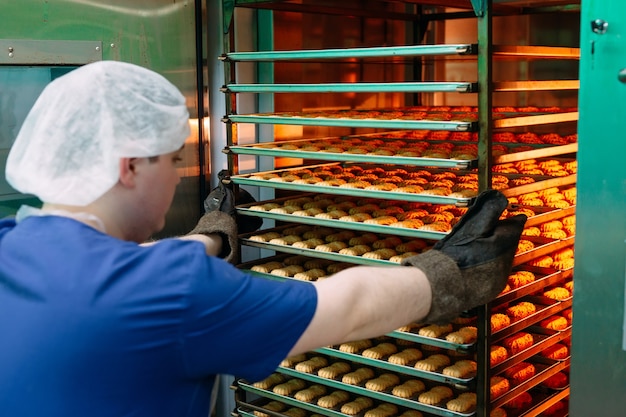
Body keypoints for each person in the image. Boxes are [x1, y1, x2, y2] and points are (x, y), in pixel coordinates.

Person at [0, 61, 526, 417]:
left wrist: (209, 239)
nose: (179, 173)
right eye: (174, 159)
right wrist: (447, 272)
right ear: (129, 167)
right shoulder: (172, 291)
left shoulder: (11, 245)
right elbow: (349, 306)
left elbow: (121, 271)